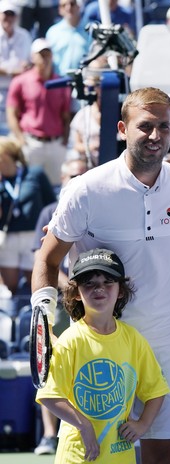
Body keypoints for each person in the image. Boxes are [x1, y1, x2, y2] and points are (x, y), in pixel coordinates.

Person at [31, 87, 170, 464]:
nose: (155, 136)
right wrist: (43, 320)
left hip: (165, 341)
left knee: (162, 455)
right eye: (145, 127)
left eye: (163, 127)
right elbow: (47, 258)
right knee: (97, 454)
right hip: (99, 347)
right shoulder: (85, 190)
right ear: (122, 128)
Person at [36, 248, 170, 463]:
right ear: (77, 293)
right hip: (77, 456)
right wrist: (84, 425)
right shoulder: (71, 340)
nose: (99, 288)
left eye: (108, 282)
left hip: (121, 456)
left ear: (121, 291)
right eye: (88, 283)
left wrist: (143, 424)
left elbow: (157, 390)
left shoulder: (133, 339)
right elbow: (49, 396)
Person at [32, 156, 89, 456]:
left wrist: (88, 293)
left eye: (81, 174)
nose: (75, 180)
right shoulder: (47, 212)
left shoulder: (90, 203)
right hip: (62, 304)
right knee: (51, 371)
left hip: (90, 304)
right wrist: (71, 289)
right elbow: (43, 259)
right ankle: (49, 435)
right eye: (71, 176)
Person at [6, 38, 71, 187]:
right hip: (31, 143)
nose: (44, 58)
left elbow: (66, 115)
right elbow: (12, 113)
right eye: (40, 54)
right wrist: (21, 140)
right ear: (33, 57)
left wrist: (65, 140)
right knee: (30, 185)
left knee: (56, 188)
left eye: (47, 54)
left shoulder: (61, 83)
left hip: (55, 143)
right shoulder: (21, 81)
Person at [0, 136, 55, 296]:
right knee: (9, 288)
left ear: (6, 155)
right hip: (7, 237)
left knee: (37, 283)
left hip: (34, 236)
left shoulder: (35, 174)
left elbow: (50, 204)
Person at [0, 0, 32, 136]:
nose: (8, 17)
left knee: (14, 133)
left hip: (18, 92)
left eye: (11, 14)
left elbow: (30, 62)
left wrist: (26, 67)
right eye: (5, 14)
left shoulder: (24, 36)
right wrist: (13, 71)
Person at [45, 0, 91, 77]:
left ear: (78, 7)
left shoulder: (90, 29)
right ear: (59, 10)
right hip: (60, 81)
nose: (68, 7)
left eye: (72, 4)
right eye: (64, 5)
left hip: (84, 80)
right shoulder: (52, 32)